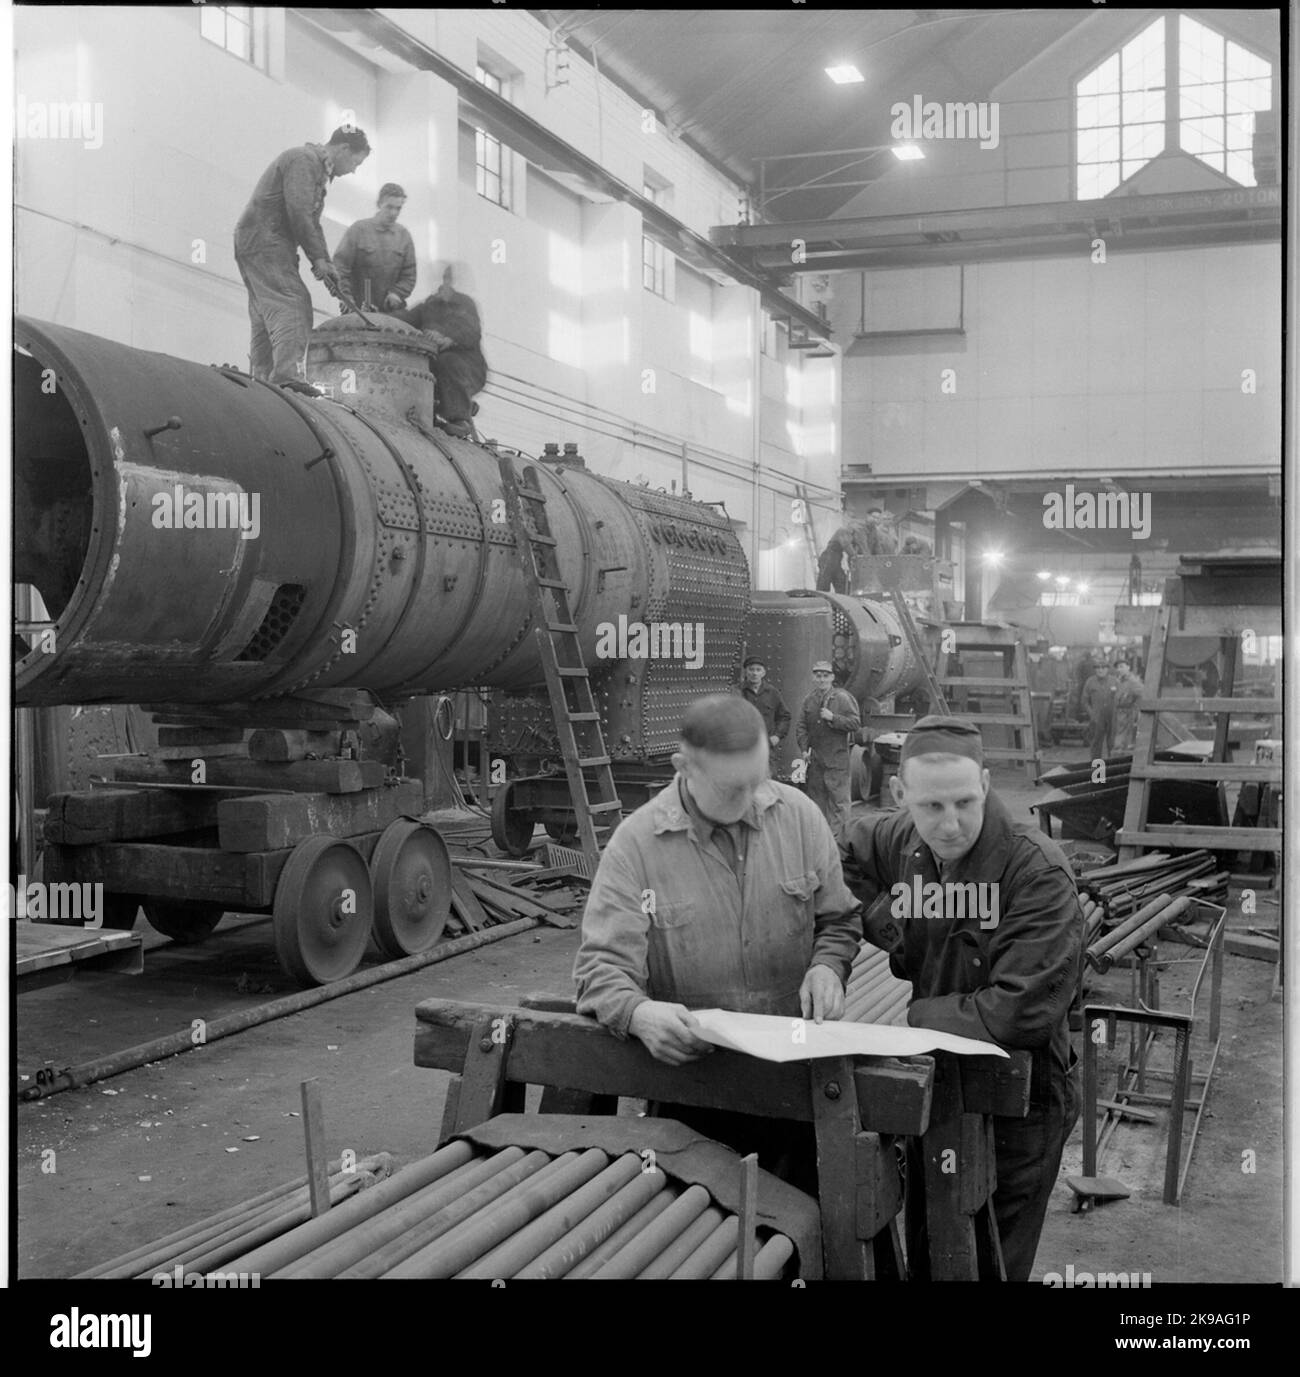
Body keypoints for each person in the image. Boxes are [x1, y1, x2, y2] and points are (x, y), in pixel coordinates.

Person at [573, 694, 861, 1188]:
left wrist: (827, 966)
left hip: (796, 1080)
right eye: (733, 787)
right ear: (682, 767)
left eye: (758, 778)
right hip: (691, 1093)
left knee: (802, 1226)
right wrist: (639, 1015)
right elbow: (600, 970)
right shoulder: (636, 847)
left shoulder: (799, 817)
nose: (752, 797)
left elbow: (838, 920)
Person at [842, 715, 1082, 1281]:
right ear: (902, 796)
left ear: (987, 782)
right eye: (931, 808)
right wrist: (891, 924)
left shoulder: (1037, 872)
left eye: (964, 803)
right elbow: (842, 859)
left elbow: (1016, 1012)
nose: (949, 825)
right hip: (941, 1081)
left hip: (1020, 1097)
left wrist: (916, 1016)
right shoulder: (900, 839)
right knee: (933, 1243)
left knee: (988, 1260)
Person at [233, 126, 370, 391]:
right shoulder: (303, 160)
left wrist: (326, 263)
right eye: (356, 162)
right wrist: (318, 259)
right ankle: (288, 376)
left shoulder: (314, 169)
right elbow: (299, 212)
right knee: (294, 303)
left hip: (258, 241)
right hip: (266, 240)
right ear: (343, 149)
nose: (354, 170)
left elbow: (311, 222)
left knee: (266, 311)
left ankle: (262, 378)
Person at [394, 264, 488, 436]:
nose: (445, 285)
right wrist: (381, 313)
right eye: (443, 280)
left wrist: (447, 338)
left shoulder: (465, 304)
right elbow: (406, 319)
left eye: (449, 280)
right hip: (434, 369)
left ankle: (460, 419)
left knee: (448, 362)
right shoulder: (429, 306)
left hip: (468, 369)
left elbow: (471, 331)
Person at [795, 661, 861, 842]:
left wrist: (834, 718)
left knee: (839, 802)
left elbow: (855, 723)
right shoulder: (809, 700)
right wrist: (804, 749)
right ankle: (822, 842)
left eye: (825, 675)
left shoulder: (842, 697)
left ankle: (840, 843)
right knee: (817, 801)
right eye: (818, 675)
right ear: (813, 677)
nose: (821, 679)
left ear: (832, 677)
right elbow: (801, 727)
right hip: (816, 760)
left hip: (837, 759)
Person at [333, 182, 417, 313]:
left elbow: (409, 275)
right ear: (379, 204)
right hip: (358, 311)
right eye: (389, 207)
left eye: (398, 208)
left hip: (391, 313)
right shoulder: (358, 230)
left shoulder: (404, 236)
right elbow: (340, 268)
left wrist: (397, 293)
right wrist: (346, 298)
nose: (394, 213)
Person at [740, 656, 790, 750]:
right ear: (745, 672)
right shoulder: (737, 692)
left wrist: (777, 736)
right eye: (751, 670)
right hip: (743, 746)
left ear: (763, 673)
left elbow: (784, 717)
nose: (754, 673)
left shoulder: (772, 692)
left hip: (766, 746)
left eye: (758, 670)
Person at [1081, 661, 1119, 759]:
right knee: (1096, 744)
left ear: (1107, 669)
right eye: (1097, 668)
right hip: (1097, 718)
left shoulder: (1115, 681)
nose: (1100, 670)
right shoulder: (1090, 681)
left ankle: (1112, 768)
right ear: (1095, 670)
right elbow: (1084, 701)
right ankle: (1096, 771)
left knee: (1113, 744)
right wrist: (1092, 714)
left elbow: (1121, 698)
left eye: (1103, 667)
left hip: (1112, 717)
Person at [1112, 661, 1142, 752]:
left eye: (1122, 667)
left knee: (1123, 740)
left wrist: (1137, 711)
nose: (1119, 669)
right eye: (1117, 667)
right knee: (1118, 735)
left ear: (1128, 667)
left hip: (1128, 713)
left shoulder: (1133, 681)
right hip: (1119, 712)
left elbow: (1142, 694)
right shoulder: (1119, 681)